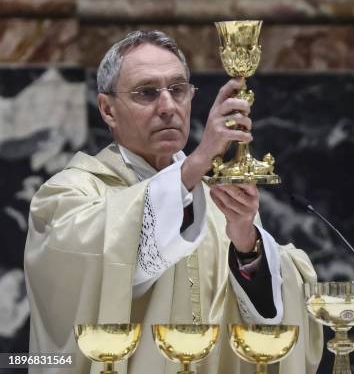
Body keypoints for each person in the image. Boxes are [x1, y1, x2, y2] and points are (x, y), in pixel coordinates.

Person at [24, 30, 323, 374]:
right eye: (146, 93)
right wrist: (197, 162)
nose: (167, 107)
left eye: (177, 90)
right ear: (107, 110)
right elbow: (102, 260)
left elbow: (274, 315)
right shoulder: (68, 195)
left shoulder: (215, 196)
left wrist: (247, 245)